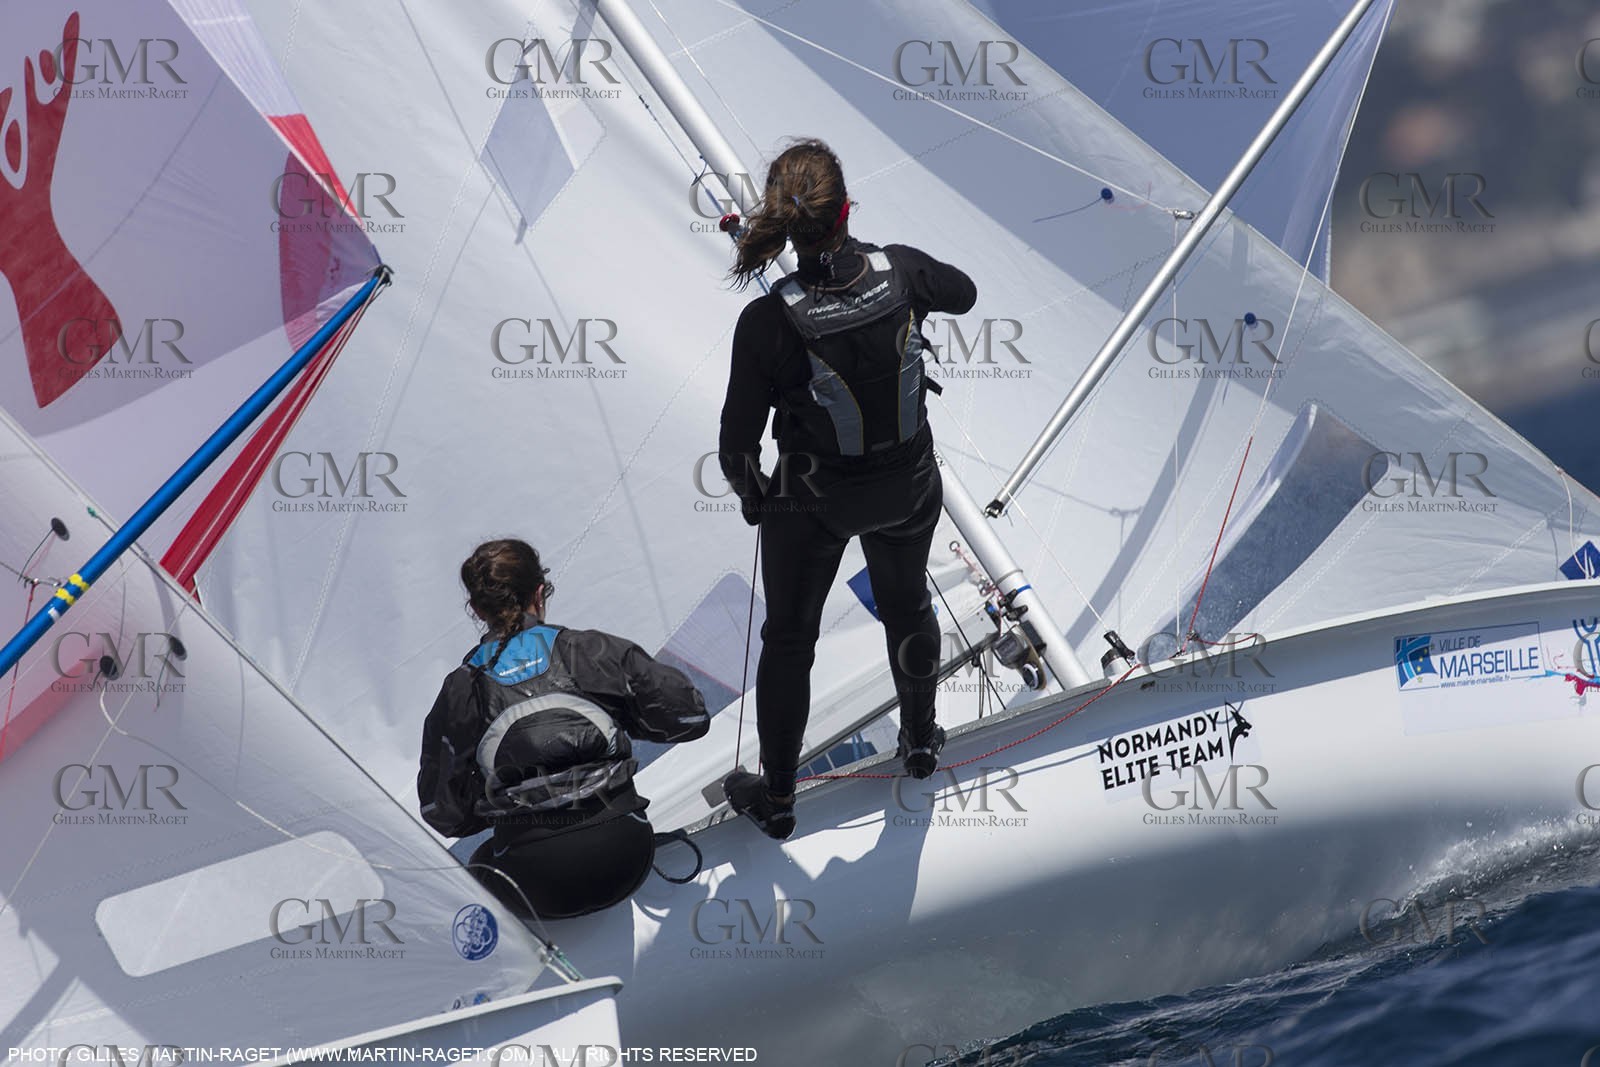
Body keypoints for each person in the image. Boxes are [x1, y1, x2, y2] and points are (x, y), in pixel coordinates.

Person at [717, 139, 977, 840]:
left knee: (790, 639)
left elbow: (735, 449)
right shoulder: (903, 270)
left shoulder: (767, 321)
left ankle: (776, 797)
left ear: (782, 223)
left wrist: (756, 501)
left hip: (813, 499)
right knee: (907, 604)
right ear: (847, 208)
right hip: (906, 484)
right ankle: (920, 741)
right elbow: (966, 291)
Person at [417, 539, 709, 919]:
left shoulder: (461, 689)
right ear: (540, 592)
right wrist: (626, 721)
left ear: (476, 608)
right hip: (626, 858)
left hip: (534, 886)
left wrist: (502, 803)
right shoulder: (590, 650)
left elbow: (442, 812)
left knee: (480, 864)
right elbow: (690, 718)